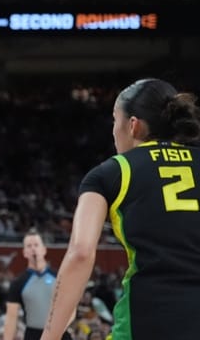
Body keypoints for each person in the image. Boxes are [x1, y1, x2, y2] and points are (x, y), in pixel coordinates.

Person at [41, 78, 200, 340]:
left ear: (133, 125)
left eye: (115, 121)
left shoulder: (111, 172)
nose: (114, 130)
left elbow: (81, 253)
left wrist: (49, 336)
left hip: (145, 322)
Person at [4, 230, 71, 340]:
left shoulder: (59, 277)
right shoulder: (18, 283)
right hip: (33, 335)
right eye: (29, 246)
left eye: (36, 245)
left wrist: (61, 328)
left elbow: (71, 307)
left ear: (44, 249)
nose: (33, 249)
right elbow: (11, 318)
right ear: (24, 252)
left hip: (60, 334)